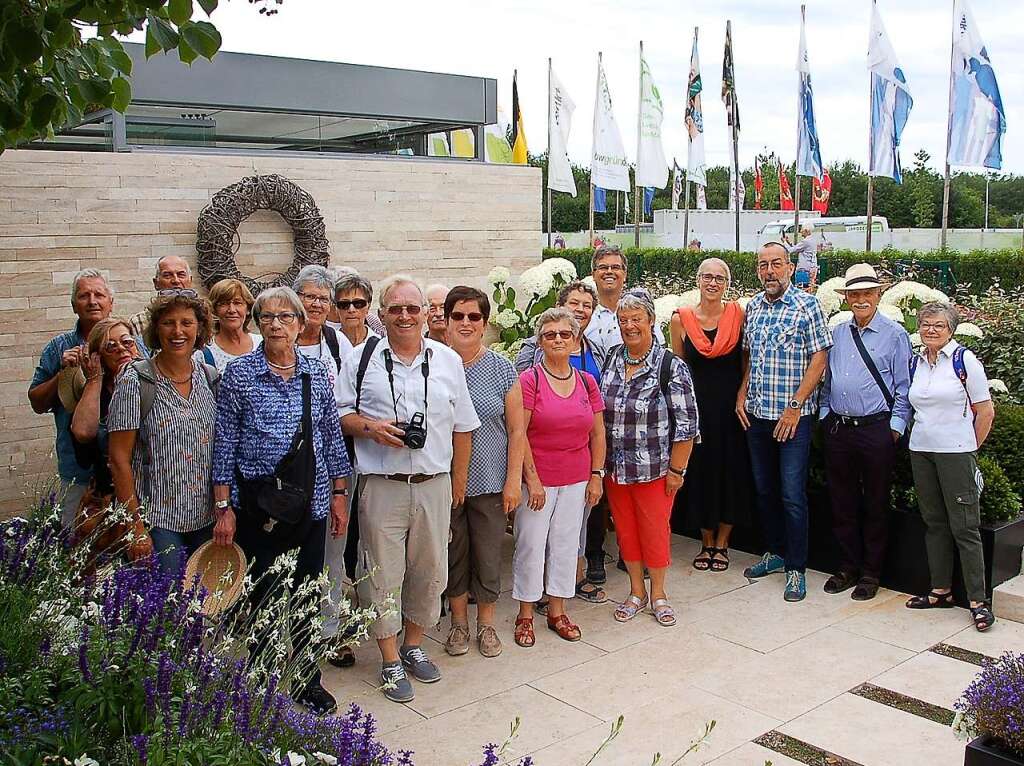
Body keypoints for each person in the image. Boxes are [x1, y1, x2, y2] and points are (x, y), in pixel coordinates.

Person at [338, 274, 478, 704]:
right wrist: (372, 429)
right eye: (395, 308)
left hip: (434, 484)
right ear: (382, 314)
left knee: (431, 571)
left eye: (412, 308)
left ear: (426, 314)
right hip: (382, 485)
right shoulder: (361, 360)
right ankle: (389, 658)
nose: (404, 316)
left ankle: (414, 643)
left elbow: (463, 427)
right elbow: (341, 414)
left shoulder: (447, 360)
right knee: (381, 574)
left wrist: (458, 485)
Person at [211, 286, 352, 715]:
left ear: (299, 323)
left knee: (307, 591)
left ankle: (307, 676)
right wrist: (223, 506)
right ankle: (265, 673)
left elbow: (331, 437)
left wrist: (340, 495)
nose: (276, 325)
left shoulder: (314, 373)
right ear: (257, 323)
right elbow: (224, 442)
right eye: (267, 317)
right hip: (259, 505)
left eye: (285, 317)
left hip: (309, 503)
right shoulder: (239, 374)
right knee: (264, 593)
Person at [737, 242, 832, 602]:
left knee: (792, 495)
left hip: (793, 419)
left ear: (790, 268)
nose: (769, 271)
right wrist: (740, 393)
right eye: (763, 265)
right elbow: (749, 356)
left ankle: (796, 567)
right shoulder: (754, 307)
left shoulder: (807, 306)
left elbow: (819, 359)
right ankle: (775, 553)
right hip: (758, 415)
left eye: (776, 264)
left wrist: (794, 407)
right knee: (764, 490)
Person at [604, 289, 700, 627]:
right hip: (616, 469)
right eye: (623, 320)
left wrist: (678, 470)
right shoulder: (612, 358)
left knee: (655, 532)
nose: (629, 326)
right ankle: (635, 592)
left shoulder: (670, 366)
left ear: (651, 321)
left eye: (636, 319)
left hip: (655, 469)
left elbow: (687, 425)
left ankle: (658, 594)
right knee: (626, 533)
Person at [107, 290, 219, 575]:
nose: (178, 331)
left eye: (187, 323)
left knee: (207, 611)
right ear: (157, 329)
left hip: (207, 521)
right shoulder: (136, 381)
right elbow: (119, 458)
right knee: (169, 612)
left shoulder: (210, 378)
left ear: (200, 328)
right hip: (158, 522)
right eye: (169, 322)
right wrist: (135, 526)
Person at [512, 308, 605, 649]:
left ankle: (557, 610)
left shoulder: (586, 382)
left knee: (566, 545)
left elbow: (598, 434)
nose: (558, 340)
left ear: (575, 339)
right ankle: (524, 612)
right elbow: (518, 433)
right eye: (550, 335)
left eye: (565, 334)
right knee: (531, 545)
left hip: (577, 479)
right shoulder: (530, 380)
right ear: (540, 341)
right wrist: (532, 480)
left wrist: (596, 475)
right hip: (539, 481)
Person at [820, 264, 912, 601]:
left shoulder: (895, 335)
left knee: (875, 503)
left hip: (877, 430)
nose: (861, 300)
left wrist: (895, 429)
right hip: (840, 429)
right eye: (854, 294)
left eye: (867, 294)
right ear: (846, 299)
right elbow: (828, 380)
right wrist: (826, 416)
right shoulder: (839, 333)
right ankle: (848, 566)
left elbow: (904, 387)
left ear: (878, 295)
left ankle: (871, 572)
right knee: (841, 501)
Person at [443, 286, 525, 658]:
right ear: (446, 321)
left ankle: (487, 626)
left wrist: (513, 480)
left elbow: (516, 429)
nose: (465, 322)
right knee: (453, 554)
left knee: (488, 556)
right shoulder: (436, 364)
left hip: (491, 481)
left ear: (485, 323)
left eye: (473, 316)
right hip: (444, 482)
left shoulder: (502, 369)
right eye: (457, 315)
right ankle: (458, 625)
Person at [904, 302, 996, 632]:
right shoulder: (917, 361)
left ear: (951, 329)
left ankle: (977, 601)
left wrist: (967, 449)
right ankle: (939, 591)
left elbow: (985, 412)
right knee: (934, 522)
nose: (931, 329)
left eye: (938, 325)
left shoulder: (963, 360)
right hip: (922, 450)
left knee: (965, 526)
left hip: (955, 453)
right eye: (926, 324)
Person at [669, 258, 750, 573]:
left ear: (727, 284)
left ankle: (723, 543)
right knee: (700, 474)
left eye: (719, 278)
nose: (713, 283)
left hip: (731, 411)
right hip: (696, 410)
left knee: (731, 474)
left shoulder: (738, 316)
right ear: (698, 280)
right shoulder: (681, 320)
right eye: (707, 277)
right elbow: (678, 368)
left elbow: (746, 363)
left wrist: (742, 396)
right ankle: (706, 541)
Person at [29, 269, 117, 527]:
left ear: (110, 303)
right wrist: (62, 373)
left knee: (128, 547)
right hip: (78, 470)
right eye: (84, 295)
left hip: (126, 467)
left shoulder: (128, 342)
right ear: (73, 306)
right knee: (78, 544)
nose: (92, 301)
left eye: (99, 294)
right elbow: (36, 402)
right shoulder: (57, 347)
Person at [67, 317, 150, 560]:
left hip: (157, 496)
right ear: (98, 357)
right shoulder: (96, 394)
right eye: (110, 346)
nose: (121, 349)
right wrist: (95, 379)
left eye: (126, 342)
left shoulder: (153, 383)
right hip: (110, 503)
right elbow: (83, 433)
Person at [515, 280, 607, 379]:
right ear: (559, 306)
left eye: (587, 306)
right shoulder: (533, 347)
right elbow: (519, 387)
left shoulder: (598, 351)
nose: (580, 309)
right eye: (574, 303)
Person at [293, 265, 353, 394]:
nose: (317, 305)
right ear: (295, 298)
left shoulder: (338, 341)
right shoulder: (282, 339)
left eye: (324, 299)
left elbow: (351, 387)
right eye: (310, 297)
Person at [128, 255, 193, 337]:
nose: (176, 280)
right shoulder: (138, 322)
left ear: (190, 281)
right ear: (156, 283)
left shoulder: (203, 317)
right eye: (167, 275)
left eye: (181, 275)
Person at [206, 278, 261, 372]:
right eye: (224, 304)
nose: (231, 310)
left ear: (248, 309)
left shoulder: (262, 343)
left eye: (237, 303)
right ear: (214, 310)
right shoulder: (206, 352)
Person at [585, 245, 627, 351]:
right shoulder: (584, 314)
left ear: (625, 274)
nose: (609, 271)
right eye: (603, 267)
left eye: (615, 267)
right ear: (593, 274)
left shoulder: (638, 313)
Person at [333, 272, 380, 349]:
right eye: (344, 304)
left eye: (358, 304)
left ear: (368, 306)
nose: (351, 310)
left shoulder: (380, 345)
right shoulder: (328, 345)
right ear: (336, 308)